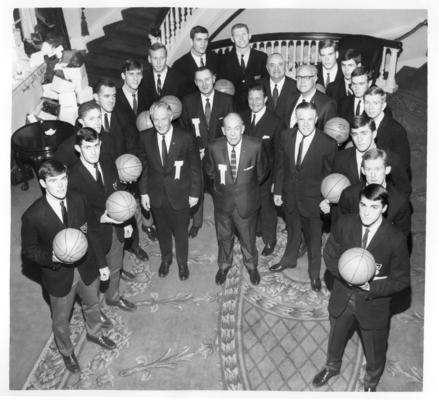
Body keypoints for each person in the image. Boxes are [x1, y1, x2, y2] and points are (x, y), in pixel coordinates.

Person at [312, 184, 410, 392]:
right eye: (363, 205)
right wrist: (346, 275)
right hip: (342, 295)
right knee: (336, 337)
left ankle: (370, 383)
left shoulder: (395, 239)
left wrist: (370, 285)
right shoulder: (345, 223)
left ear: (384, 208)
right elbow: (329, 254)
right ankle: (332, 367)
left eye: (374, 207)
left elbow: (401, 281)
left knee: (374, 349)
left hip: (373, 304)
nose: (366, 212)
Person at [21, 160, 116, 373]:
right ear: (43, 183)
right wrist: (52, 257)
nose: (61, 185)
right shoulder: (32, 215)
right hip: (59, 276)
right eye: (53, 181)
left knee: (92, 303)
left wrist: (102, 263)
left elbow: (92, 231)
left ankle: (95, 332)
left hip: (87, 266)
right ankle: (67, 351)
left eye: (63, 178)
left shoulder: (79, 199)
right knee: (61, 320)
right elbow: (28, 249)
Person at [68, 128, 137, 313]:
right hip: (92, 235)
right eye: (87, 147)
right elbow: (78, 218)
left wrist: (126, 221)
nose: (93, 151)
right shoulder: (72, 178)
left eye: (96, 145)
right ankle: (94, 314)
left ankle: (113, 298)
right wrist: (100, 218)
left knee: (114, 268)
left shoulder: (107, 160)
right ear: (78, 148)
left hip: (115, 228)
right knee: (96, 278)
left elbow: (118, 194)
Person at [271, 101, 337, 292]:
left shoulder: (328, 144)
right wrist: (277, 191)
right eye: (301, 119)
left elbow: (330, 176)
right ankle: (288, 259)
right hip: (290, 196)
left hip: (314, 202)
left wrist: (327, 200)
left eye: (310, 119)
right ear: (296, 119)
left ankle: (314, 274)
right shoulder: (285, 136)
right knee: (292, 231)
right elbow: (280, 165)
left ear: (316, 119)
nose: (306, 123)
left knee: (314, 240)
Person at [139, 102, 202, 280]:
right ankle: (166, 259)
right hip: (156, 194)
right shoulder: (145, 137)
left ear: (171, 117)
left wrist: (195, 193)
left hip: (180, 193)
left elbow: (195, 168)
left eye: (163, 119)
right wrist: (143, 192)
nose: (160, 124)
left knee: (181, 231)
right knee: (163, 230)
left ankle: (182, 263)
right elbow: (143, 167)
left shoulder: (185, 137)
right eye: (156, 120)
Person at [204, 112, 267, 286]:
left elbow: (261, 173)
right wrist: (221, 189)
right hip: (223, 202)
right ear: (223, 130)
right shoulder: (214, 147)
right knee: (224, 236)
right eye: (228, 129)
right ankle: (224, 265)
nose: (233, 133)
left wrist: (247, 188)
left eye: (236, 128)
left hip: (246, 202)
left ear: (243, 129)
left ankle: (251, 266)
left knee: (248, 237)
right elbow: (209, 172)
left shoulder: (256, 146)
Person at [180, 66, 234, 238]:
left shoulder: (226, 100)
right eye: (199, 80)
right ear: (195, 83)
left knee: (222, 191)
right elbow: (184, 131)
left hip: (220, 155)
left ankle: (226, 221)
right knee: (197, 188)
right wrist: (195, 151)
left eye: (207, 79)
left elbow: (232, 129)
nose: (204, 84)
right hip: (197, 156)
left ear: (214, 79)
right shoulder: (188, 101)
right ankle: (196, 223)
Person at [240, 84, 283, 256]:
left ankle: (270, 240)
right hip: (245, 176)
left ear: (265, 99)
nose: (254, 102)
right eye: (251, 98)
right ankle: (255, 231)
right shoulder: (241, 117)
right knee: (249, 207)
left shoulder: (276, 122)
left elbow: (280, 157)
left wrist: (277, 184)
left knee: (267, 210)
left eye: (258, 98)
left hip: (267, 176)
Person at [338, 148, 411, 239]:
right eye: (369, 169)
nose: (373, 175)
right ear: (363, 171)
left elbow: (402, 239)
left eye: (377, 169)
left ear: (387, 170)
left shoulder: (400, 201)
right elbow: (339, 230)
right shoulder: (349, 195)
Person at [333, 115, 411, 196]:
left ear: (374, 134)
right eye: (355, 134)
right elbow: (334, 189)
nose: (359, 139)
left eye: (364, 133)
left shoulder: (392, 159)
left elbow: (404, 191)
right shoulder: (340, 159)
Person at [218, 23, 268, 111]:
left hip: (255, 108)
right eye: (237, 35)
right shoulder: (224, 59)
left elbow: (266, 85)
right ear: (232, 39)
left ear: (249, 36)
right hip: (232, 108)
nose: (241, 38)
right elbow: (221, 85)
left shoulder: (262, 57)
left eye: (244, 34)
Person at [364, 85, 411, 177]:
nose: (370, 108)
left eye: (375, 103)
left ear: (383, 106)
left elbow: (403, 163)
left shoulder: (397, 130)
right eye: (367, 103)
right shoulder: (363, 122)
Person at [285, 64, 337, 131]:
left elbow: (330, 134)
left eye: (307, 77)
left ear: (315, 79)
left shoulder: (327, 104)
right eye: (299, 77)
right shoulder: (290, 98)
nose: (302, 81)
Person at [172, 25, 220, 96]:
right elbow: (179, 93)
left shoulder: (215, 57)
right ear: (191, 41)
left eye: (205, 40)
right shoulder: (179, 65)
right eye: (199, 40)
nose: (203, 44)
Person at [139, 43, 184, 110]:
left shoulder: (180, 79)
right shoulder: (141, 78)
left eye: (162, 58)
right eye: (155, 58)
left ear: (166, 58)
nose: (158, 62)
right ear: (149, 59)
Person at [261, 52, 298, 121]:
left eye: (280, 64)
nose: (276, 69)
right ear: (267, 67)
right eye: (272, 65)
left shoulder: (296, 87)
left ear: (285, 66)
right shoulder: (258, 86)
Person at [115, 59, 149, 128]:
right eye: (131, 74)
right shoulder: (114, 98)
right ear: (123, 76)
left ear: (142, 76)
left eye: (138, 74)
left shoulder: (148, 95)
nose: (135, 78)